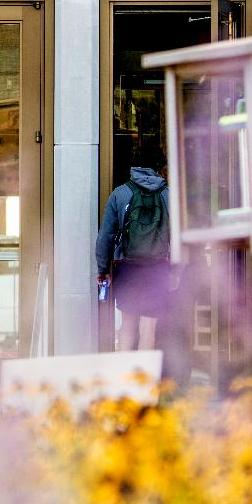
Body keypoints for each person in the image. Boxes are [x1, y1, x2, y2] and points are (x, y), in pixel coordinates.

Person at [95, 146, 174, 353]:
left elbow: (106, 237)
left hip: (127, 268)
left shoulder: (120, 194)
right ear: (160, 167)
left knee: (128, 325)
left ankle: (125, 378)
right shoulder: (169, 196)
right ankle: (145, 380)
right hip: (157, 268)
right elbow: (178, 237)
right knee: (148, 328)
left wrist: (103, 269)